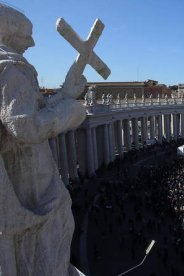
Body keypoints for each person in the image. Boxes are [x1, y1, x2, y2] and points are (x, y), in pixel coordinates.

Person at [0, 4, 86, 275]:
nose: (32, 43)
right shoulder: (10, 69)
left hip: (19, 179)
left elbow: (31, 111)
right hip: (30, 185)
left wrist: (64, 93)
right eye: (26, 36)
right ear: (8, 32)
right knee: (53, 233)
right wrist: (71, 112)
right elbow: (25, 125)